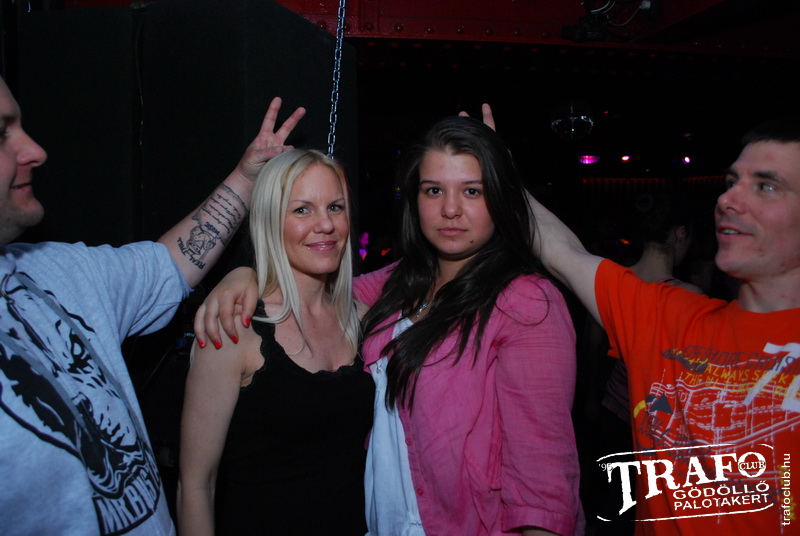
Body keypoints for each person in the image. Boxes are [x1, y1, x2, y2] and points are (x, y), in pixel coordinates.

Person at [197, 116, 584, 535]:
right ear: (414, 199)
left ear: (500, 198)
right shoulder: (398, 283)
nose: (450, 209)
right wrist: (245, 276)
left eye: (472, 191)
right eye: (434, 190)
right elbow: (314, 290)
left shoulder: (526, 302)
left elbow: (543, 486)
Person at [0, 75, 305, 535]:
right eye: (1, 133)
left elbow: (173, 262)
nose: (34, 150)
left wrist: (246, 180)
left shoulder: (54, 270)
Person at [526, 118, 800, 535]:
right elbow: (559, 249)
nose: (727, 198)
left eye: (765, 186)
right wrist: (494, 167)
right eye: (731, 182)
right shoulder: (668, 316)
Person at [177, 149, 374, 535]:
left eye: (335, 207)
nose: (325, 224)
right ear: (270, 220)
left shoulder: (365, 321)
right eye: (302, 210)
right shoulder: (234, 329)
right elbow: (196, 487)